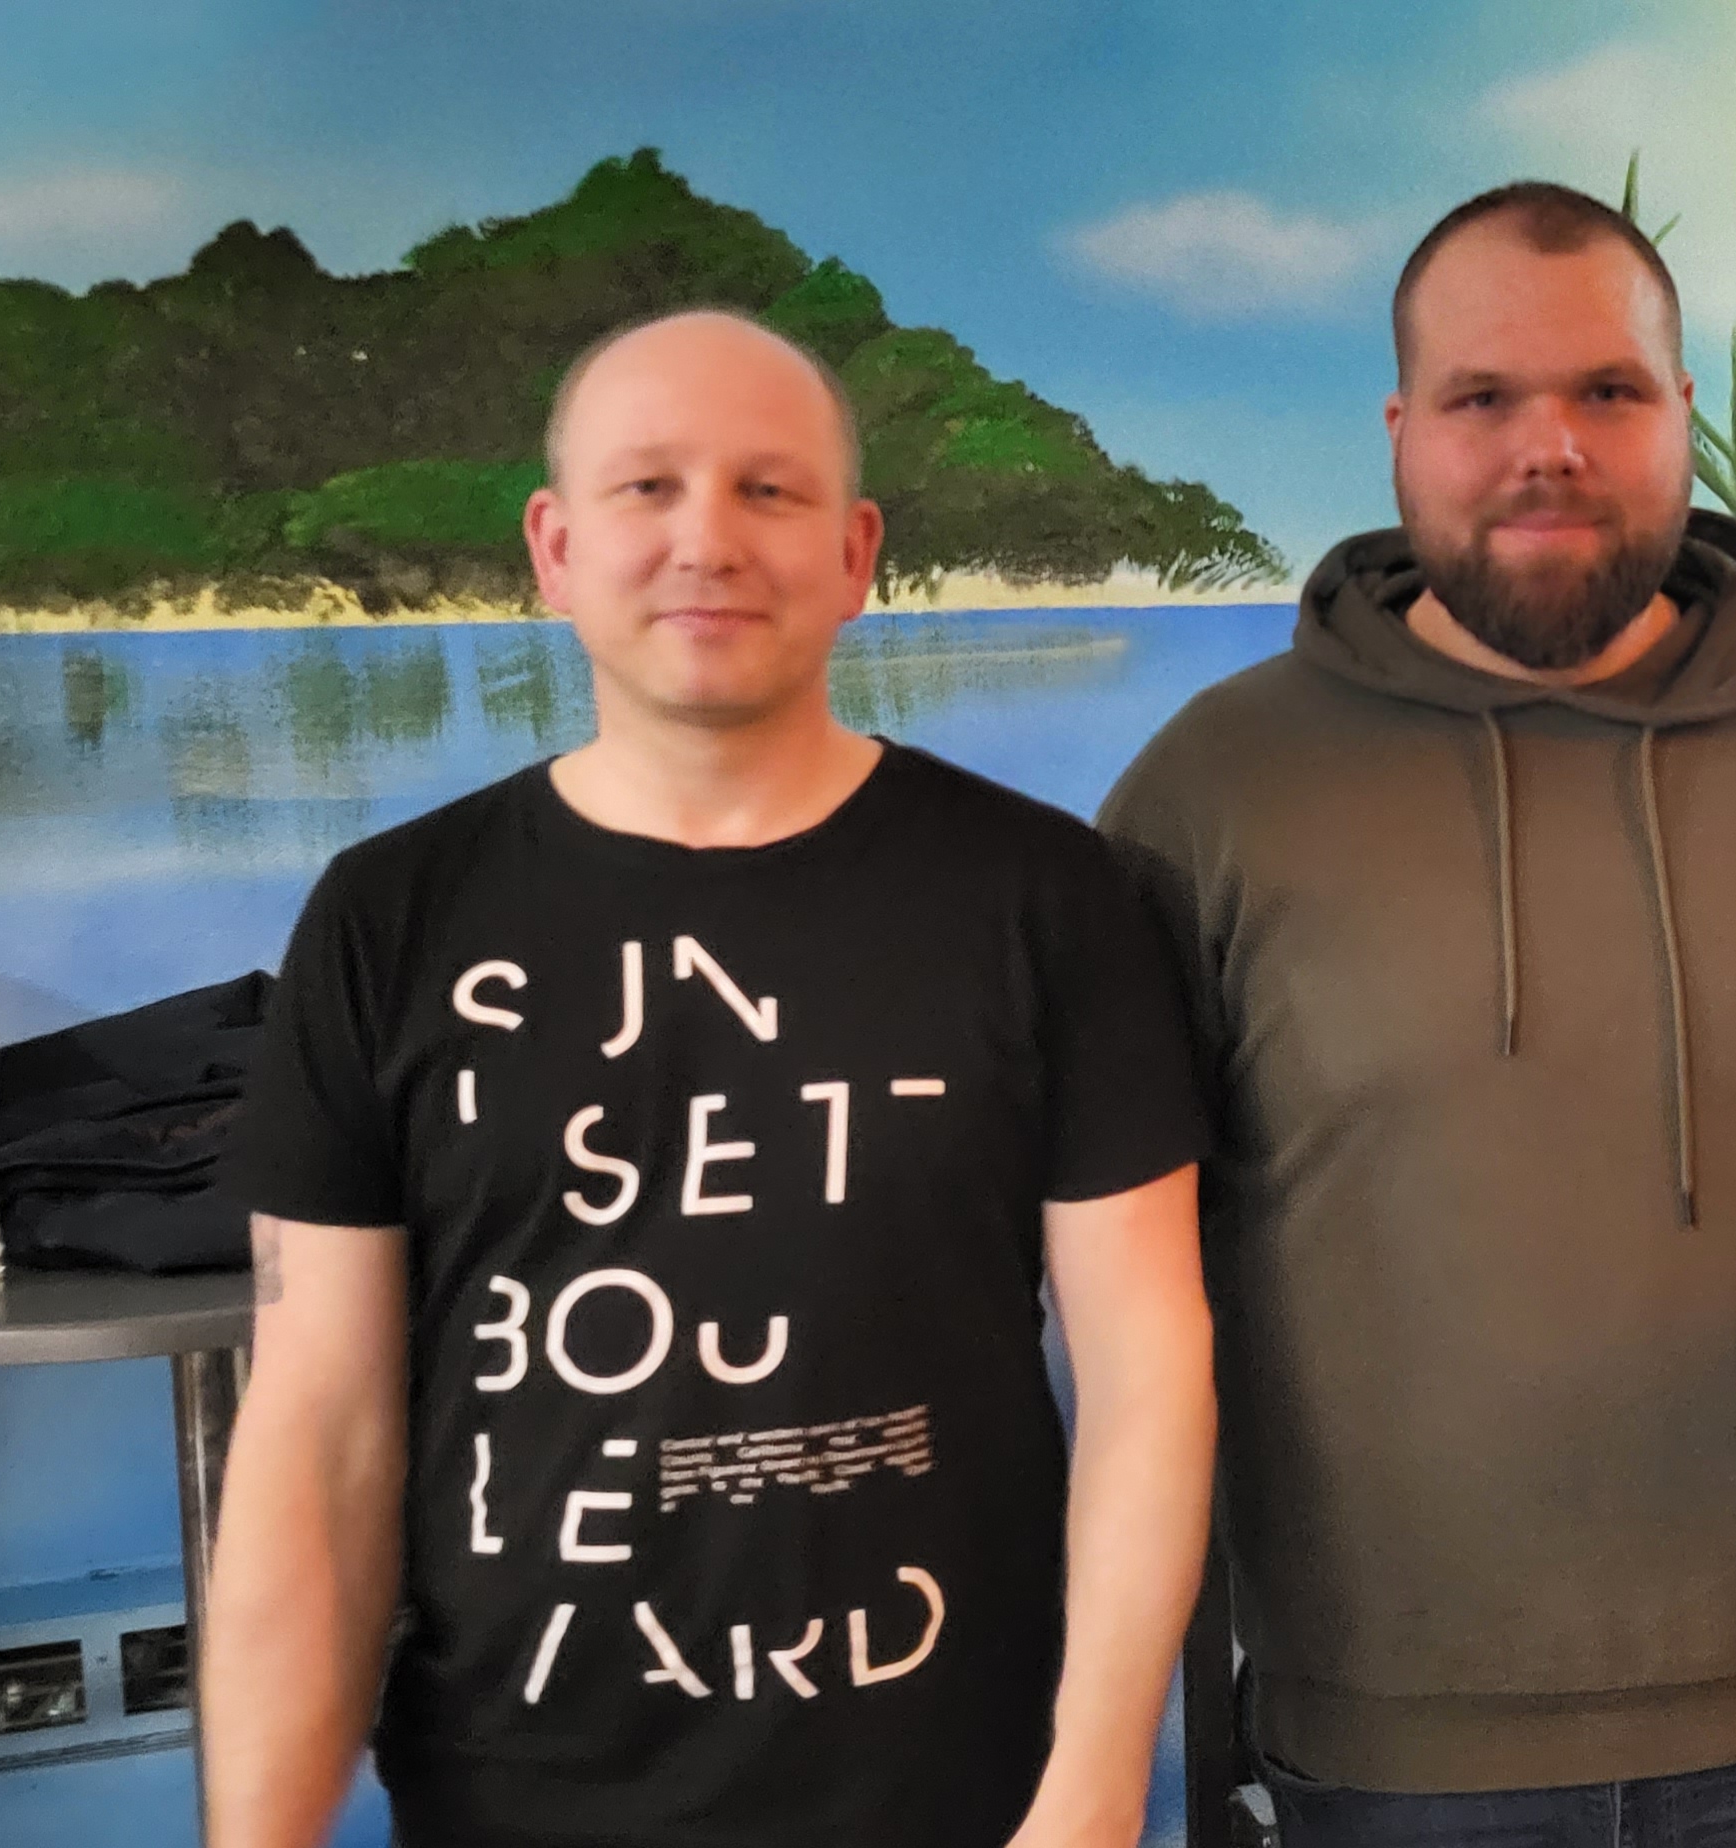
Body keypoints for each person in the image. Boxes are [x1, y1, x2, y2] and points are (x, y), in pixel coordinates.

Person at [203, 308, 1215, 1848]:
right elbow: (318, 1426)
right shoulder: (390, 917)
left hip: (957, 1792)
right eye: (647, 487)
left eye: (769, 490)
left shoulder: (1043, 898)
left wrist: (1094, 1789)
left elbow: (1147, 1368)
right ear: (554, 549)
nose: (708, 540)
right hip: (513, 1799)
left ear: (857, 553)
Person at [1100, 183, 1736, 1844]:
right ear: (1400, 433)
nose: (1550, 447)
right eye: (1483, 398)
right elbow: (1105, 1289)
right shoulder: (1211, 795)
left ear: (1682, 416)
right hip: (1382, 1751)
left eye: (1607, 391)